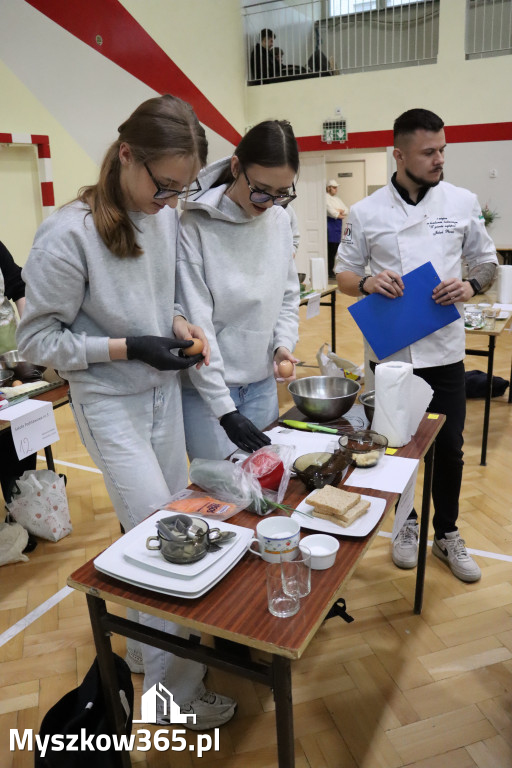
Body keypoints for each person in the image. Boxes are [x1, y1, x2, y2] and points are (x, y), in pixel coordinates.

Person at [17, 94, 237, 729]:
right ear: (125, 157)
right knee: (169, 548)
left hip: (161, 397)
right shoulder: (69, 235)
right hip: (110, 405)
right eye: (163, 186)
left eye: (181, 189)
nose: (169, 201)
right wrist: (123, 347)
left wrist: (175, 329)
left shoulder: (162, 216)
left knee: (161, 532)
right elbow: (35, 343)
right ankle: (177, 703)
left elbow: (158, 299)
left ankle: (146, 647)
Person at [335, 107, 498, 583]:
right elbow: (342, 275)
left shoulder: (461, 201)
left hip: (444, 351)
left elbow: (485, 264)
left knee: (449, 448)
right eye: (429, 152)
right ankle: (406, 525)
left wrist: (469, 286)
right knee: (395, 448)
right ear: (399, 154)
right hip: (389, 358)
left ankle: (446, 533)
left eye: (442, 149)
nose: (439, 158)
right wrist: (367, 282)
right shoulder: (366, 213)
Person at [177, 119, 300, 461]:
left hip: (262, 385)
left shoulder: (279, 220)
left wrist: (282, 344)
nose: (269, 202)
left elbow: (288, 296)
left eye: (282, 193)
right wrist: (224, 410)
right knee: (220, 498)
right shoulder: (195, 225)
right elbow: (196, 326)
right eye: (261, 189)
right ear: (236, 167)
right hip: (208, 393)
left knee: (265, 490)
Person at [0, 241, 37, 502]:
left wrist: (31, 334)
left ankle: (22, 505)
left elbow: (17, 285)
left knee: (20, 436)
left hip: (11, 359)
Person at [326, 179, 349, 277]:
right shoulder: (325, 198)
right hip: (330, 226)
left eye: (336, 188)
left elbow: (346, 210)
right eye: (334, 188)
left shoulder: (337, 199)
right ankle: (329, 270)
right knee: (330, 250)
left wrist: (339, 211)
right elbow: (331, 212)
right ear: (328, 188)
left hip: (337, 227)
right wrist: (337, 212)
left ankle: (332, 269)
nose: (336, 190)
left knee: (336, 249)